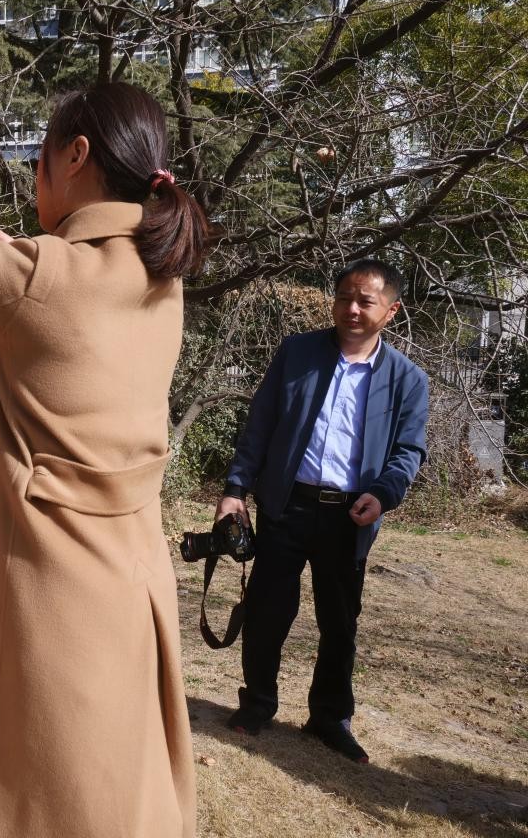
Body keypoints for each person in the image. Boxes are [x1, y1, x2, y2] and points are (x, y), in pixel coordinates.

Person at [0, 83, 208, 838]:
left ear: (78, 156)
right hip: (130, 567)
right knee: (107, 761)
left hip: (43, 571)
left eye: (43, 159)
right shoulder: (162, 277)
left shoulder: (39, 274)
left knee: (28, 764)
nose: (36, 177)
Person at [216, 259, 429, 763]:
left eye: (365, 301)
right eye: (343, 298)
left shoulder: (406, 380)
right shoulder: (298, 353)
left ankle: (330, 718)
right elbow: (261, 423)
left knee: (340, 621)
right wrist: (235, 489)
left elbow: (409, 450)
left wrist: (385, 492)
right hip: (286, 506)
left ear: (391, 311)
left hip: (349, 516)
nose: (351, 309)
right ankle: (257, 705)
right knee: (268, 610)